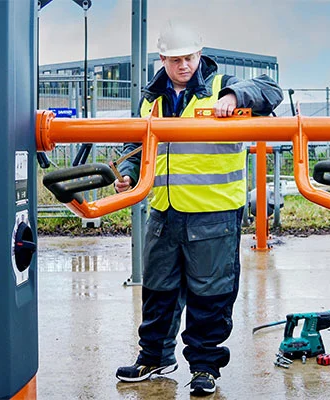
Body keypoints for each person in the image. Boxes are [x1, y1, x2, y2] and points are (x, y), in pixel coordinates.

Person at [113, 20, 283, 396]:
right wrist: (126, 173)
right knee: (158, 289)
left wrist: (237, 97)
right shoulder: (151, 100)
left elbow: (271, 89)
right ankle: (154, 356)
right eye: (175, 60)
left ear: (199, 55)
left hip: (214, 214)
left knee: (211, 294)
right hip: (164, 211)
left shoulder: (222, 87)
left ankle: (205, 367)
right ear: (163, 59)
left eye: (189, 57)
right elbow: (135, 147)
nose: (184, 65)